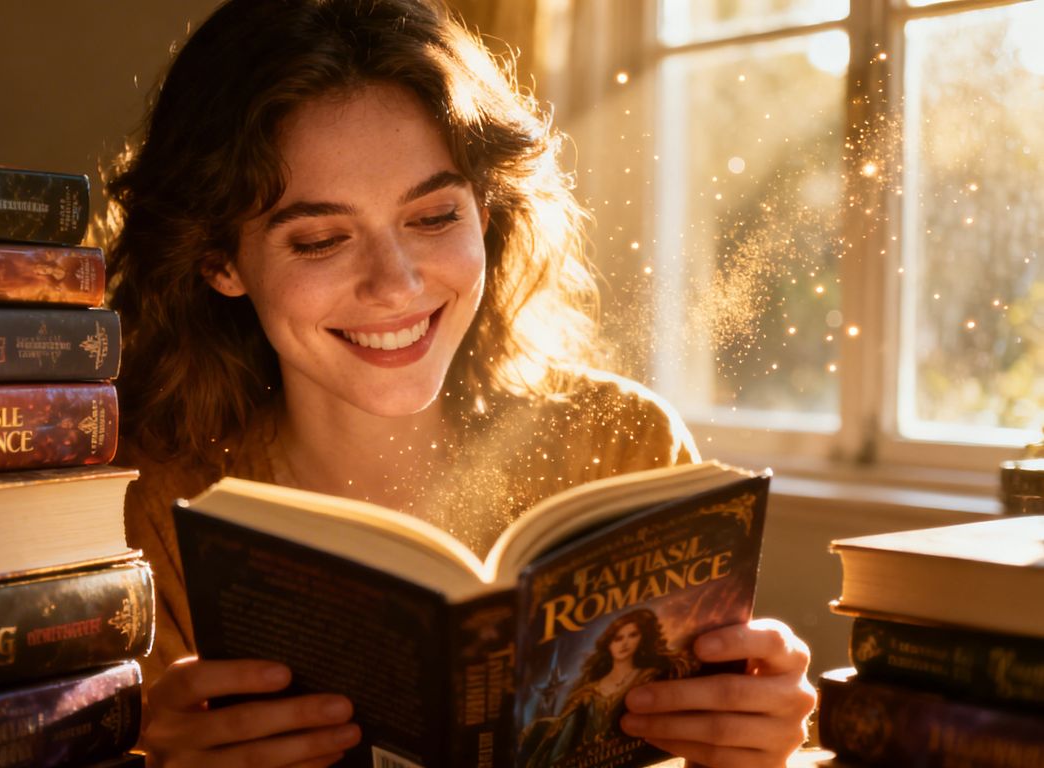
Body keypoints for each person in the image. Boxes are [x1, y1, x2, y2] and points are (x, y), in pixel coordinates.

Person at [105, 0, 818, 765]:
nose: (397, 284)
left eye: (434, 216)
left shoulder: (624, 442)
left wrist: (753, 740)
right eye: (320, 240)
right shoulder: (144, 505)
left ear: (487, 208)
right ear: (220, 261)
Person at [520, 609, 694, 767]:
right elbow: (567, 736)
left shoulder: (651, 675)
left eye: (632, 635)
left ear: (642, 639)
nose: (624, 643)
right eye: (618, 638)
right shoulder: (589, 690)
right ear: (608, 644)